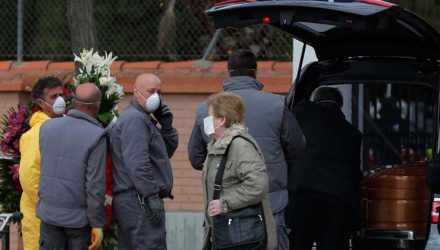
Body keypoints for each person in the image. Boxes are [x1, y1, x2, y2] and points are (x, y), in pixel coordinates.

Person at [188, 49, 305, 249]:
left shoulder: (206, 110)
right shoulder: (277, 105)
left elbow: (196, 158)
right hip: (271, 207)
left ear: (228, 73)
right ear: (255, 73)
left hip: (223, 212)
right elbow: (297, 149)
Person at [287, 87, 363, 250]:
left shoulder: (300, 114)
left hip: (303, 194)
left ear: (315, 101)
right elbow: (356, 175)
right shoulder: (353, 134)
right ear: (340, 105)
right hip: (338, 200)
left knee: (298, 244)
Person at [201, 92, 276, 250]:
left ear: (222, 120)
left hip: (242, 238)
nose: (206, 121)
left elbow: (258, 185)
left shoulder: (240, 145)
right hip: (225, 235)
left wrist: (225, 203)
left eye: (210, 116)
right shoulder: (216, 146)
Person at [111, 73, 178, 249]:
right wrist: (150, 195)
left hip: (137, 199)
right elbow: (138, 164)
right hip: (138, 200)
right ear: (136, 92)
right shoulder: (135, 120)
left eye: (159, 92)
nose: (156, 96)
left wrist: (167, 128)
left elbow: (162, 155)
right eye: (151, 91)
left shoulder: (143, 119)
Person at [37, 83, 106, 249]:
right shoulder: (97, 136)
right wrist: (97, 223)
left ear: (72, 102)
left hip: (48, 215)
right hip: (78, 221)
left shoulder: (46, 128)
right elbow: (94, 185)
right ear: (97, 105)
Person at [18, 76, 65, 250]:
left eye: (61, 95)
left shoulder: (63, 127)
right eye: (53, 97)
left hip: (57, 217)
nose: (60, 100)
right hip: (42, 219)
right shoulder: (34, 135)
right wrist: (55, 204)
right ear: (41, 103)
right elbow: (29, 178)